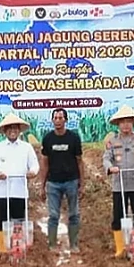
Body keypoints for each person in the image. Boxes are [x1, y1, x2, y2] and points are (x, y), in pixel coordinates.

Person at [102, 105, 134, 258]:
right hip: (119, 185)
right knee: (118, 215)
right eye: (123, 122)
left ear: (133, 123)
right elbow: (106, 158)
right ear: (118, 124)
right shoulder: (112, 142)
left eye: (129, 122)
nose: (126, 125)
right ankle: (120, 248)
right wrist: (110, 167)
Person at [0, 113, 39, 254]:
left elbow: (35, 165)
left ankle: (17, 247)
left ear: (19, 130)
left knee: (18, 220)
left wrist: (32, 172)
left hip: (20, 190)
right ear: (5, 131)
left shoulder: (26, 147)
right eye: (9, 128)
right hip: (2, 192)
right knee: (2, 219)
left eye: (15, 128)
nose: (12, 131)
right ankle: (3, 248)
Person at [40, 108, 84, 253]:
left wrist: (81, 183)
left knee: (74, 214)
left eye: (60, 118)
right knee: (53, 215)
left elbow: (79, 161)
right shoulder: (48, 139)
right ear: (52, 120)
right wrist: (42, 185)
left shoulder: (74, 138)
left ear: (65, 120)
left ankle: (74, 244)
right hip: (53, 183)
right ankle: (52, 244)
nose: (58, 121)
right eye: (55, 118)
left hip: (71, 181)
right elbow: (45, 162)